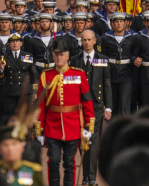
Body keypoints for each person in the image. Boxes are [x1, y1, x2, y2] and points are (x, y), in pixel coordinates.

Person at [36, 39, 95, 186]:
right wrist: (39, 130)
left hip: (73, 126)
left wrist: (89, 127)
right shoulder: (45, 76)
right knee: (54, 162)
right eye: (56, 55)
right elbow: (41, 105)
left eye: (61, 54)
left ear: (68, 56)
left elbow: (87, 102)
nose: (58, 58)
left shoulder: (79, 75)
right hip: (52, 126)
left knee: (69, 163)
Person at [68, 30, 112, 186]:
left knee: (92, 140)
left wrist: (109, 107)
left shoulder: (102, 59)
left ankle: (91, 177)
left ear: (95, 41)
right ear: (81, 42)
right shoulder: (75, 60)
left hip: (97, 105)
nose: (86, 42)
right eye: (83, 40)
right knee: (83, 140)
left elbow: (107, 83)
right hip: (79, 107)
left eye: (89, 40)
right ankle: (85, 175)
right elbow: (70, 84)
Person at [99, 12, 135, 117]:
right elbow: (103, 56)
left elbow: (134, 54)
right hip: (111, 73)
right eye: (116, 22)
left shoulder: (132, 38)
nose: (119, 24)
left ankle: (125, 130)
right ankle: (113, 130)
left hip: (127, 73)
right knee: (112, 104)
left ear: (125, 23)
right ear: (112, 24)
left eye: (121, 21)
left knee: (124, 103)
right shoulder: (105, 38)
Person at [0, 34, 37, 117]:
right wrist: (1, 69)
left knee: (24, 117)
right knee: (10, 117)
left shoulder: (28, 56)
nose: (15, 43)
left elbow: (34, 75)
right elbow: (0, 76)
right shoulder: (4, 57)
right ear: (9, 44)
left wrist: (35, 92)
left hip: (25, 92)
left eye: (17, 41)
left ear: (21, 43)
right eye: (12, 41)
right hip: (10, 93)